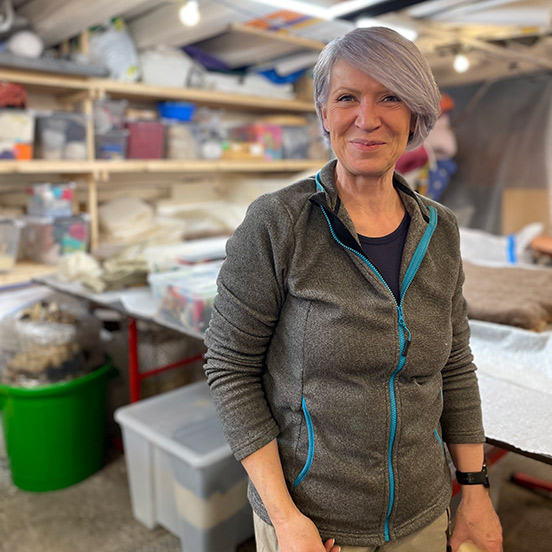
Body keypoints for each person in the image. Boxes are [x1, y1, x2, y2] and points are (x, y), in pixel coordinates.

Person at [204, 27, 503, 552]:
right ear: (324, 113)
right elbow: (231, 368)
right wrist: (285, 519)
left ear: (414, 113)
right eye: (347, 98)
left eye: (389, 97)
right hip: (313, 524)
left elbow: (455, 365)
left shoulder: (440, 230)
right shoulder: (278, 223)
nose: (367, 118)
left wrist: (474, 490)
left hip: (423, 511)